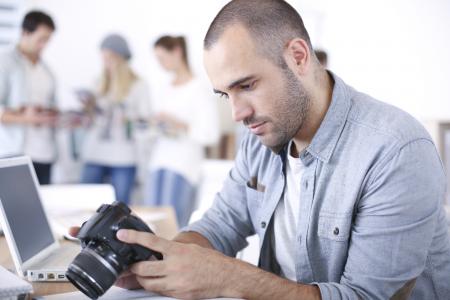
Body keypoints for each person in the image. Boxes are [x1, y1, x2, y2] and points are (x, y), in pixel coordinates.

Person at [71, 1, 450, 299]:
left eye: (247, 85)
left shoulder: (395, 150)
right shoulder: (262, 138)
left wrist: (228, 276)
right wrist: (154, 262)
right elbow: (219, 226)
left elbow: (364, 297)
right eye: (225, 94)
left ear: (298, 57)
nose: (237, 114)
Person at [145, 35, 219, 227]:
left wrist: (181, 125)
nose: (160, 64)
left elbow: (210, 134)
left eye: (162, 58)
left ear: (177, 52)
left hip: (183, 166)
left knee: (173, 229)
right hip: (159, 162)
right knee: (150, 226)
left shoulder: (199, 88)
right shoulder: (164, 88)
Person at [80, 34, 151, 204]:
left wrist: (129, 119)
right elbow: (89, 121)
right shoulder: (98, 82)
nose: (106, 63)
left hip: (124, 157)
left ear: (121, 58)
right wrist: (86, 111)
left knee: (119, 207)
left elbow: (146, 123)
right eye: (103, 58)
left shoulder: (139, 85)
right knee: (85, 203)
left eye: (110, 58)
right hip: (95, 153)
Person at [0, 10, 58, 184]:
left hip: (44, 153)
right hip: (15, 154)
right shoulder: (5, 63)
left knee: (45, 206)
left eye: (47, 40)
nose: (44, 45)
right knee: (17, 209)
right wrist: (27, 118)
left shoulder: (47, 71)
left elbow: (51, 106)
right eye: (41, 39)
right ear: (25, 33)